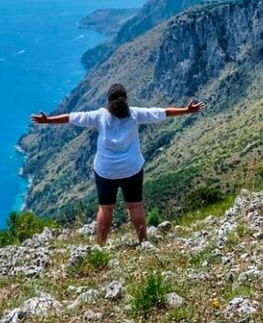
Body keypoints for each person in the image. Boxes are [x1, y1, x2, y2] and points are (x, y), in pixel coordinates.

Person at [30, 83, 205, 245]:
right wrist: (187, 110)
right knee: (135, 205)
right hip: (132, 168)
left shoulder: (99, 115)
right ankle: (143, 242)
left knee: (105, 208)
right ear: (126, 99)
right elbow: (162, 112)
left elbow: (71, 118)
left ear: (108, 101)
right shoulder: (135, 114)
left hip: (106, 170)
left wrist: (48, 120)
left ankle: (101, 244)